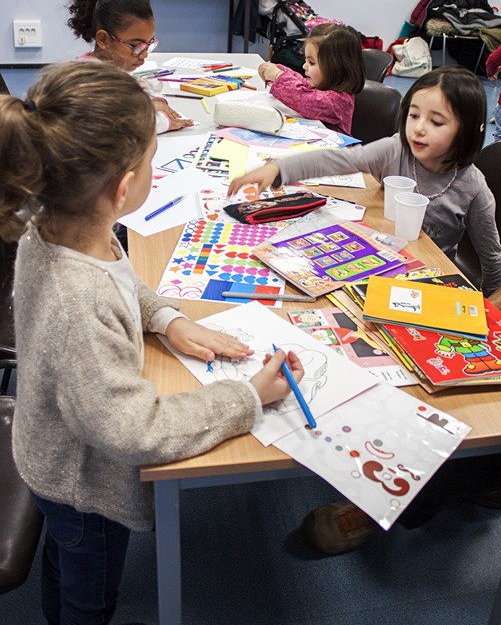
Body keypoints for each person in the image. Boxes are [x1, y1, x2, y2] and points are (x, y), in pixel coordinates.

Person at [0, 61, 304, 625]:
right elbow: (132, 429)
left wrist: (166, 319)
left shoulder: (61, 226)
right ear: (122, 189)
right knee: (87, 592)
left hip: (54, 451)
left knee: (62, 561)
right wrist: (246, 397)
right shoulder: (78, 299)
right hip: (83, 483)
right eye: (149, 164)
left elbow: (118, 281)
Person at [229, 65, 501, 297]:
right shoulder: (396, 149)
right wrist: (279, 168)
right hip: (375, 260)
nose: (419, 128)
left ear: (467, 130)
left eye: (437, 122)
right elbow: (337, 161)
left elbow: (491, 257)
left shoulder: (473, 187)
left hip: (429, 281)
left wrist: (492, 314)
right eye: (414, 115)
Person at [67, 0, 193, 135]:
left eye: (149, 44)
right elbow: (123, 126)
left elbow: (139, 89)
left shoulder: (115, 68)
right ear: (103, 39)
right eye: (136, 46)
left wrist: (155, 102)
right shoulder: (89, 79)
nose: (144, 54)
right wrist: (164, 119)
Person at [258, 23, 365, 135]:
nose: (304, 66)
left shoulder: (338, 100)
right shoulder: (320, 84)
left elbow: (302, 98)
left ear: (336, 68)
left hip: (332, 151)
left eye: (312, 63)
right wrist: (277, 70)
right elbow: (300, 83)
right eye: (306, 60)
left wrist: (278, 76)